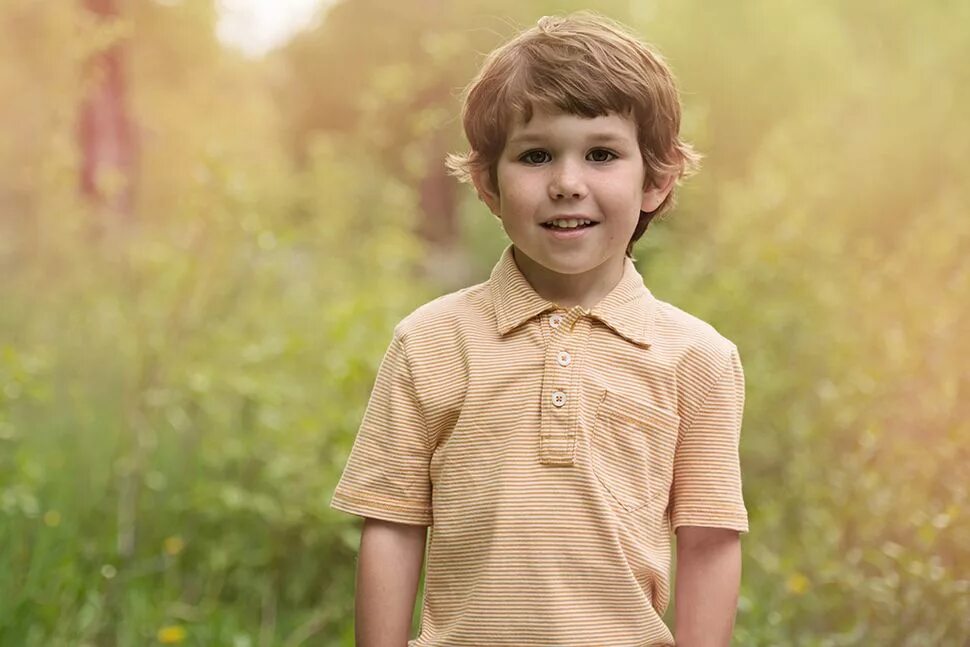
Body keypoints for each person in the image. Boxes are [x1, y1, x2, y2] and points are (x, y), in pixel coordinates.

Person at [330, 10, 749, 646]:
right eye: (535, 156)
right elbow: (391, 524)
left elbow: (709, 543)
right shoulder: (430, 341)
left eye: (602, 154)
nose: (566, 183)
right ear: (488, 185)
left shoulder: (699, 359)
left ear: (656, 180)